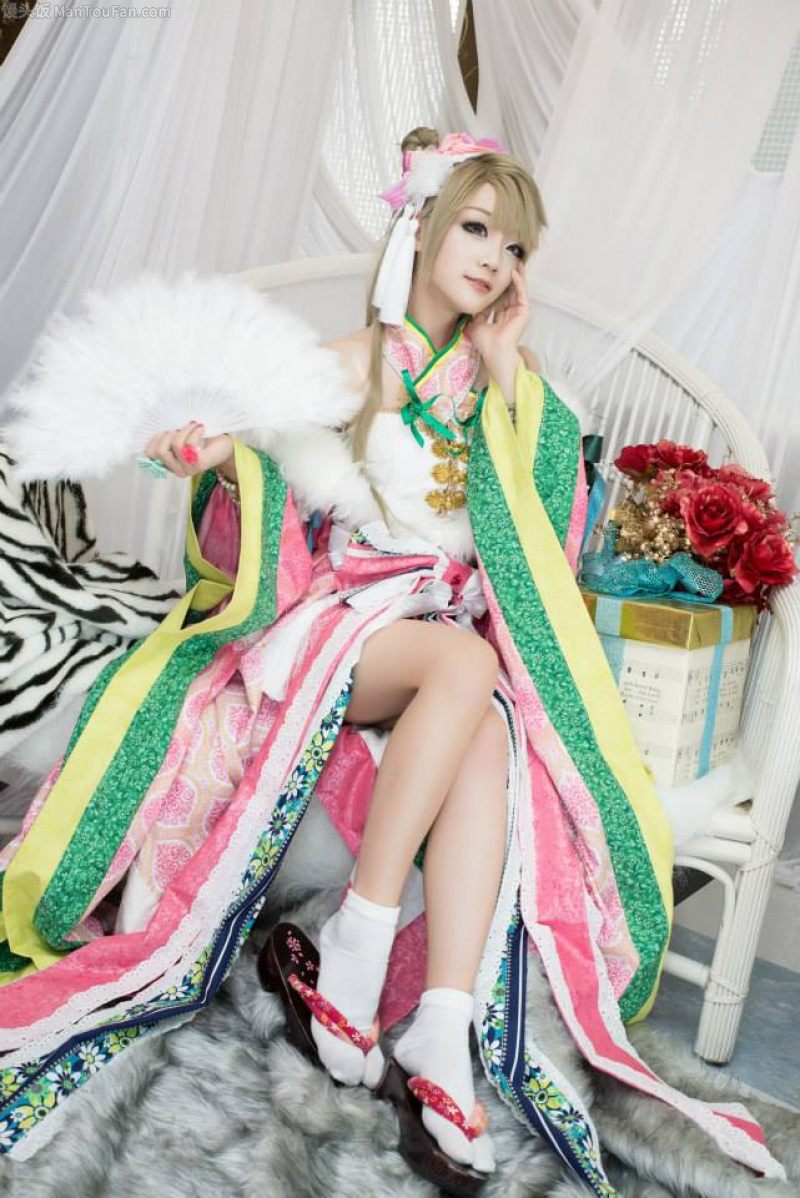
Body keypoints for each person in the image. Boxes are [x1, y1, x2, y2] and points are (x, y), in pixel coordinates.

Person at [0, 129, 783, 1195]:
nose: (494, 260)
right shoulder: (344, 365)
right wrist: (217, 456)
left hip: (443, 632)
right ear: (421, 226)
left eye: (514, 247)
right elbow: (260, 497)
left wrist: (505, 373)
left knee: (490, 721)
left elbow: (542, 539)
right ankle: (360, 944)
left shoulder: (508, 383)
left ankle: (442, 1022)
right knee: (463, 671)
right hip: (341, 622)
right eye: (476, 229)